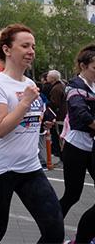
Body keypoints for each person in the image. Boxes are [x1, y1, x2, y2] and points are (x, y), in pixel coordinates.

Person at [0, 24, 64, 244]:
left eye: (33, 46)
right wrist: (24, 102)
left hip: (30, 168)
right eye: (25, 46)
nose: (31, 51)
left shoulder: (30, 84)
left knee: (54, 231)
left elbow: (30, 122)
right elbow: (0, 128)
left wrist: (44, 122)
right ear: (7, 50)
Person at [59, 44, 95, 219]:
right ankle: (52, 231)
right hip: (76, 147)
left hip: (92, 145)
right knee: (72, 195)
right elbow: (82, 114)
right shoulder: (74, 86)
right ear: (83, 66)